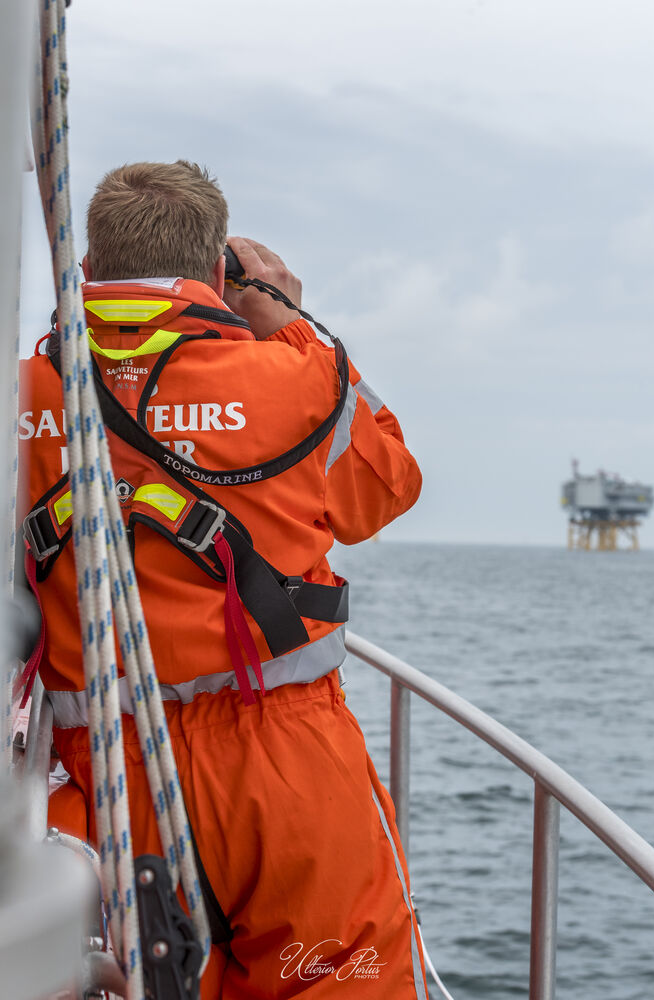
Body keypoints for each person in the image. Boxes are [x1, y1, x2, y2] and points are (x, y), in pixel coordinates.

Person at [18, 161, 426, 999]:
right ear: (216, 275)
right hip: (282, 764)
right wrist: (294, 325)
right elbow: (387, 489)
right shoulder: (297, 377)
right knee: (338, 978)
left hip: (97, 769)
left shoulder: (22, 395)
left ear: (88, 272)